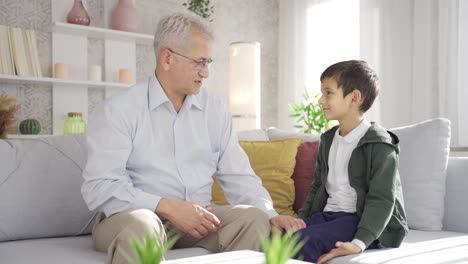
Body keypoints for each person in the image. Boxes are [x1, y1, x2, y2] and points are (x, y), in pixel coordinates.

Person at [81, 13, 303, 264]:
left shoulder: (215, 110)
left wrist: (270, 213)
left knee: (253, 218)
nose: (206, 72)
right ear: (167, 58)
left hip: (198, 220)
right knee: (143, 225)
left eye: (208, 62)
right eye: (199, 62)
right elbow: (99, 187)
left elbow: (238, 175)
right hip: (133, 218)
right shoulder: (119, 110)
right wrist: (167, 207)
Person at [294, 60, 408, 263]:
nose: (321, 100)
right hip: (329, 216)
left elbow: (382, 199)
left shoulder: (381, 144)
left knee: (302, 243)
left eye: (328, 93)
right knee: (275, 238)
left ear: (354, 97)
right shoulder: (328, 139)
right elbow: (317, 188)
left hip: (361, 221)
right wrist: (300, 221)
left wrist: (359, 242)